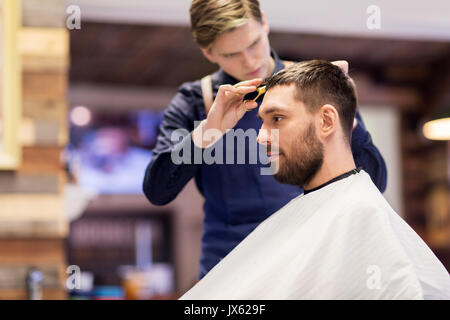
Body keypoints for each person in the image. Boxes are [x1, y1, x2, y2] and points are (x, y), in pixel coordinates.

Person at [143, 0, 387, 280]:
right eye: (232, 53)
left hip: (309, 260)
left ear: (264, 23)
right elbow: (157, 191)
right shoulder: (193, 100)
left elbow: (375, 183)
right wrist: (207, 133)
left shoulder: (316, 86)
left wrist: (347, 122)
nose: (250, 61)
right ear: (208, 53)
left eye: (254, 43)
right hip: (230, 268)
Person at [180, 60, 450, 299]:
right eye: (262, 122)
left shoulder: (360, 216)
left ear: (326, 121)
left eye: (277, 118)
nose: (261, 137)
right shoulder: (307, 210)